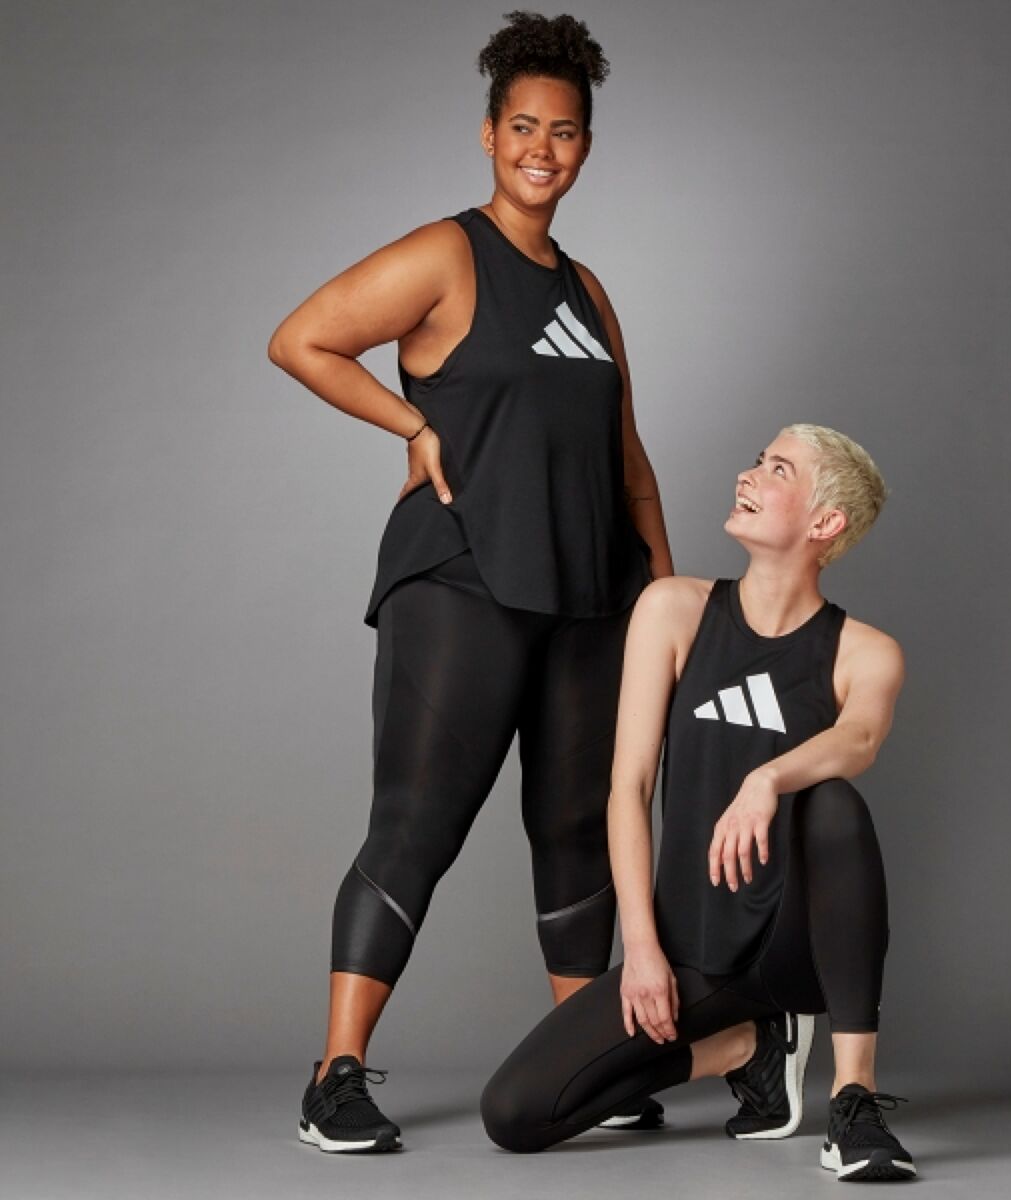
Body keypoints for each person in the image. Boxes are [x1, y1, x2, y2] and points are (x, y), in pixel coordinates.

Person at [267, 12, 672, 1153]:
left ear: (586, 146)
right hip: (463, 580)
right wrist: (413, 426)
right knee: (418, 824)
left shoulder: (588, 290)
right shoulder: (449, 255)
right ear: (490, 135)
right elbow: (302, 339)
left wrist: (663, 591)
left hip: (592, 594)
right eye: (524, 127)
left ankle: (584, 1061)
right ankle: (335, 1078)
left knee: (578, 830)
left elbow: (627, 456)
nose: (544, 148)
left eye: (565, 131)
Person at [481, 424, 917, 1182]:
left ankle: (855, 1100)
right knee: (515, 1112)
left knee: (834, 804)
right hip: (693, 950)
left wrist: (766, 779)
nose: (748, 476)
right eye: (757, 461)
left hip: (794, 943)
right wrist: (643, 950)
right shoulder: (673, 608)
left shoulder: (866, 651)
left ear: (825, 522)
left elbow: (859, 738)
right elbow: (628, 787)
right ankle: (747, 1049)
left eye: (777, 470)